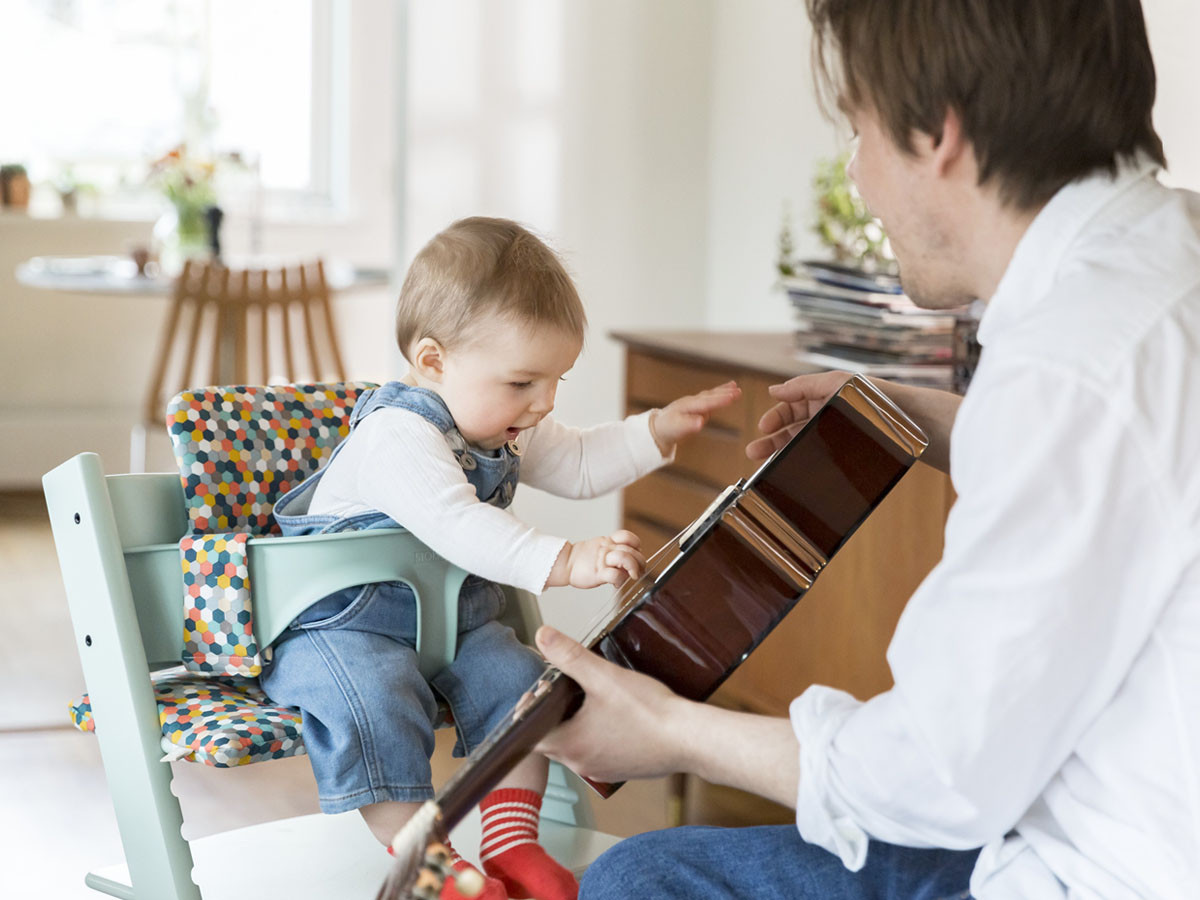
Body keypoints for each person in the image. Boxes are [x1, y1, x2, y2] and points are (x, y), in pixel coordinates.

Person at [535, 1, 1200, 897]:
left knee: (638, 882)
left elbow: (936, 774)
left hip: (1099, 863)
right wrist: (915, 418)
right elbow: (1121, 476)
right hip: (1103, 802)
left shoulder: (1073, 360)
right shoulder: (1167, 256)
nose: (855, 173)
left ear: (940, 134)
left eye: (858, 131)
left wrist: (670, 729)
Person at [260, 216, 740, 900]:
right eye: (523, 383)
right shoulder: (398, 435)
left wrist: (653, 432)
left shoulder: (497, 426)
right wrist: (566, 558)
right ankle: (425, 865)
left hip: (448, 623)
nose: (543, 404)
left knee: (521, 683)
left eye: (555, 382)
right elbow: (457, 525)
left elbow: (576, 462)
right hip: (336, 626)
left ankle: (511, 841)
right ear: (433, 362)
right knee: (373, 702)